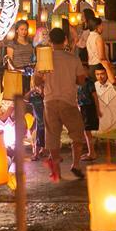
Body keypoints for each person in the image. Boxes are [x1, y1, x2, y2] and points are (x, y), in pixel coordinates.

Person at [34, 28, 88, 181]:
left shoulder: (44, 59)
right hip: (68, 101)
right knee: (77, 134)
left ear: (50, 41)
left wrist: (44, 78)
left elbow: (37, 81)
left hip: (50, 101)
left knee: (52, 136)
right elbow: (81, 80)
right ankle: (76, 164)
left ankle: (56, 168)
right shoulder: (73, 58)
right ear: (65, 40)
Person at [78, 60, 101, 161]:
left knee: (87, 131)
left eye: (83, 70)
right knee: (85, 132)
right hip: (83, 108)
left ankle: (92, 153)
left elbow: (95, 96)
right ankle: (90, 151)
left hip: (89, 107)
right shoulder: (79, 83)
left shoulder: (89, 82)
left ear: (87, 71)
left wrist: (98, 109)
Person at [6, 20, 35, 92]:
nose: (24, 32)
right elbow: (10, 61)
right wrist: (11, 74)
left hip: (30, 72)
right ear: (17, 30)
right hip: (18, 72)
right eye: (21, 29)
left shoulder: (30, 43)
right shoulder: (12, 44)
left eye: (25, 29)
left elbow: (33, 58)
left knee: (30, 93)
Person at [85, 17, 116, 84]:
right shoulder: (98, 37)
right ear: (97, 26)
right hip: (100, 66)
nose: (103, 27)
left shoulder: (89, 37)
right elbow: (101, 57)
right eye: (102, 25)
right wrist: (109, 67)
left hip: (91, 66)